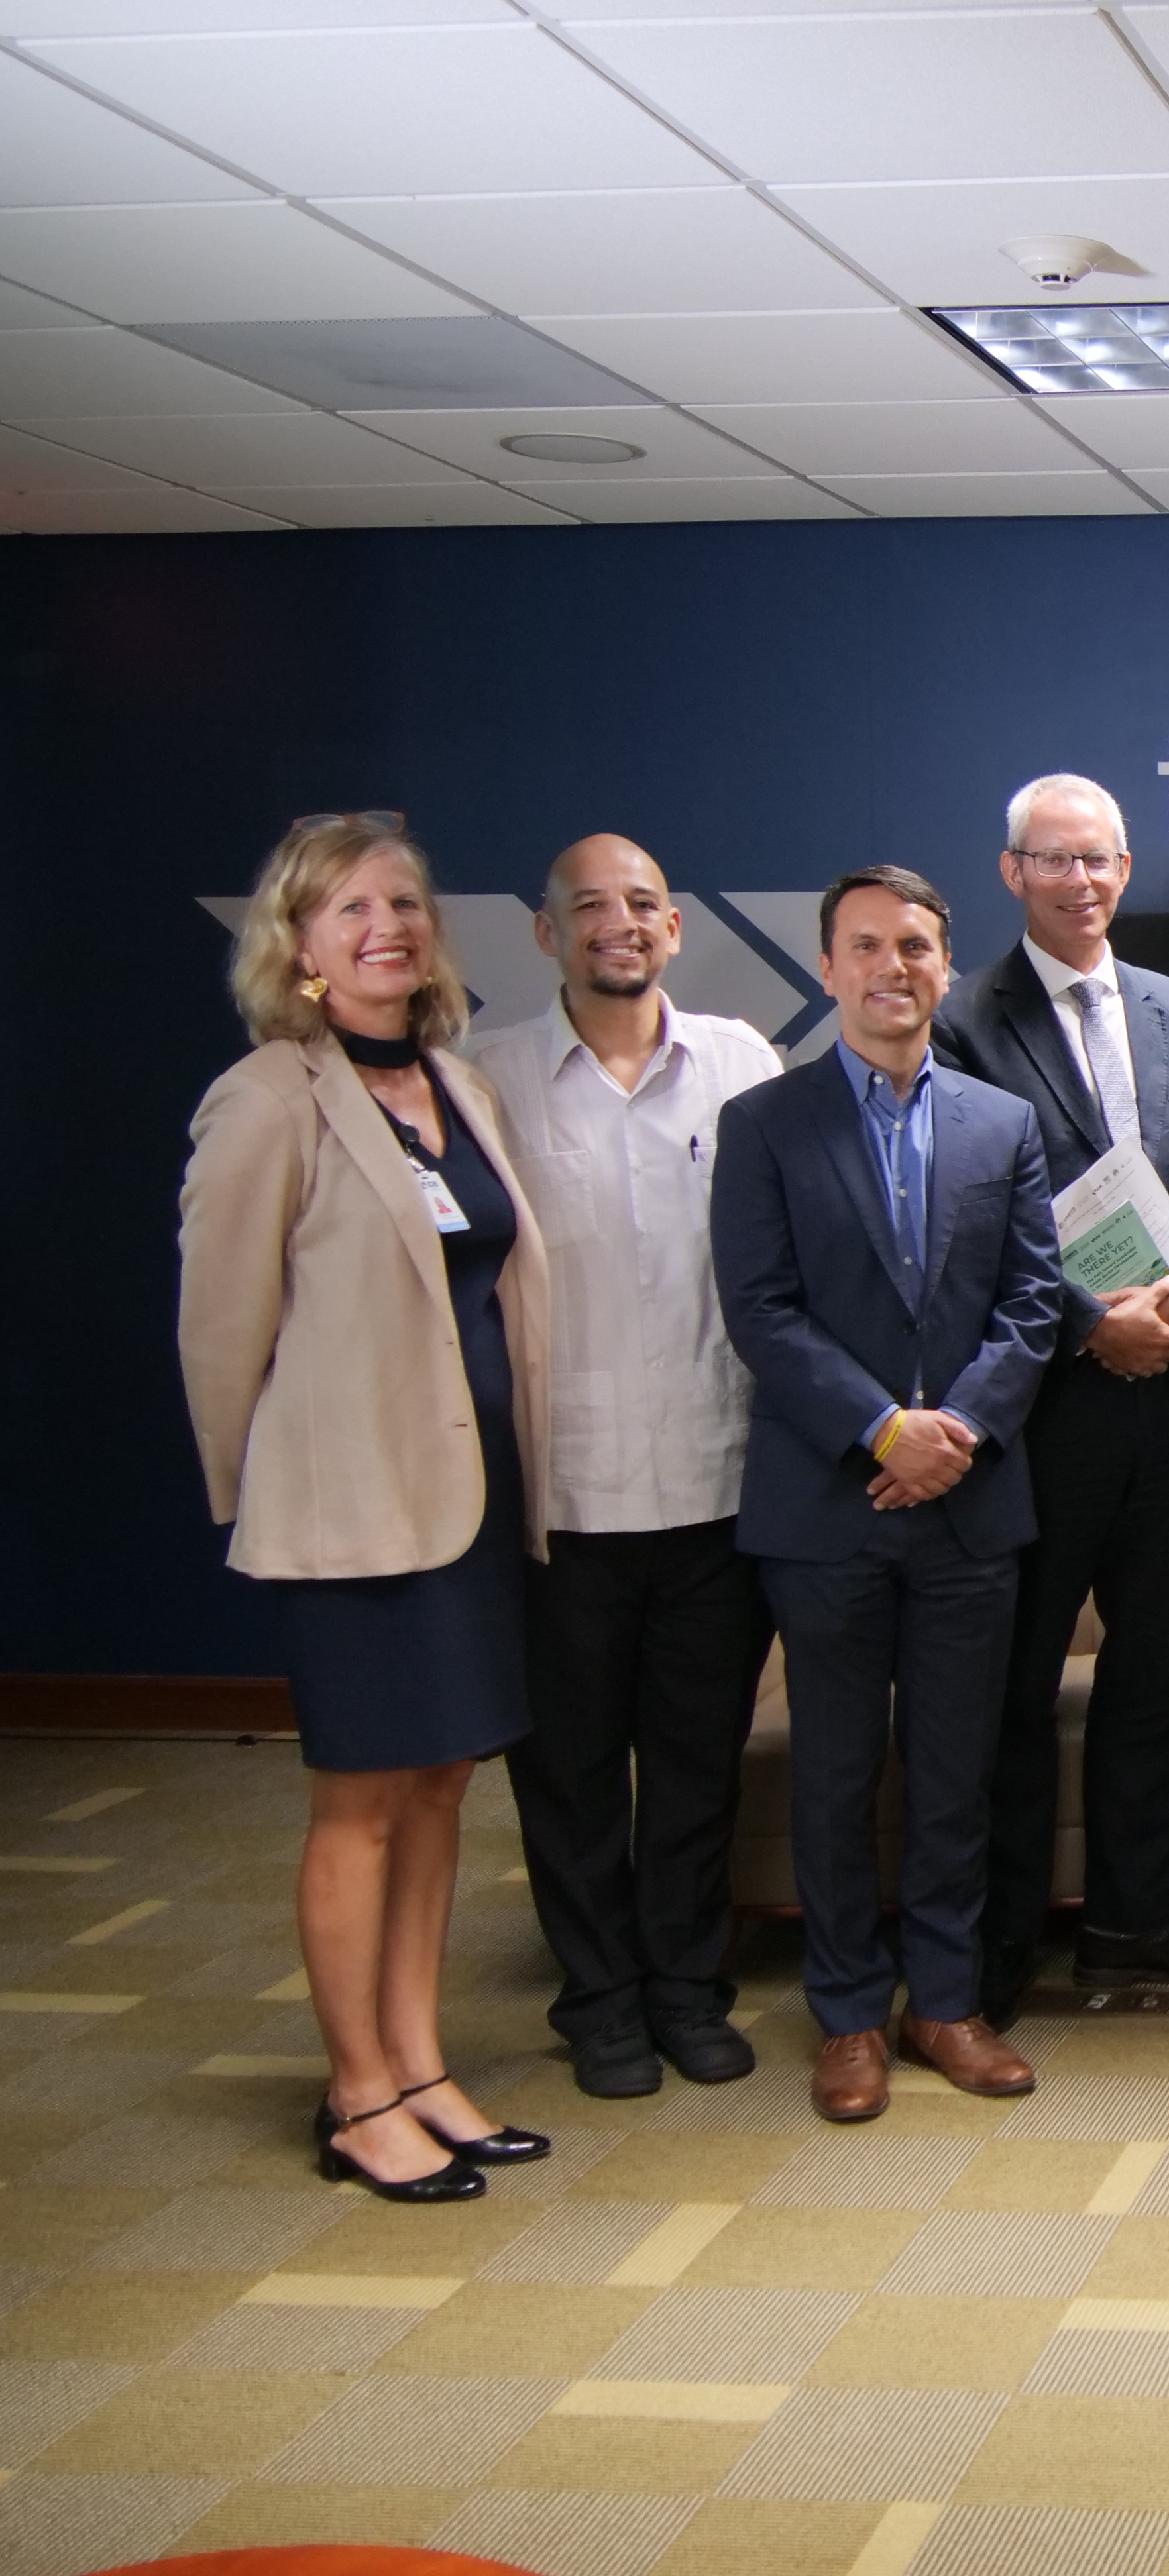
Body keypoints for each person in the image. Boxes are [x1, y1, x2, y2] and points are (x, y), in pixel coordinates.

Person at [179, 812, 553, 2200]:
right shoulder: (271, 1096)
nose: (385, 925)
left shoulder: (460, 1089)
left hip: (470, 1501)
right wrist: (259, 1498)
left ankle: (421, 2063)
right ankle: (355, 2096)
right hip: (348, 1515)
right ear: (299, 947)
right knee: (361, 1802)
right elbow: (221, 1329)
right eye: (348, 910)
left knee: (442, 1786)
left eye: (402, 902)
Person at [710, 865, 1062, 2123]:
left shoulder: (999, 1123)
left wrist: (953, 1430)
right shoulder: (766, 1124)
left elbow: (1033, 1303)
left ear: (943, 964)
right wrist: (882, 1431)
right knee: (838, 1772)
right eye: (865, 947)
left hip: (969, 1506)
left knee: (956, 1771)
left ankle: (947, 2004)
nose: (891, 968)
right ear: (829, 969)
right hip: (827, 1509)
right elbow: (760, 1310)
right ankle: (850, 2015)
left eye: (914, 946)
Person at [934, 774, 1169, 2023]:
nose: (1081, 881)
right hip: (1045, 1413)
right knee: (1016, 1691)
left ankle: (1136, 1925)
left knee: (1153, 1680)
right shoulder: (968, 1021)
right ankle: (997, 1945)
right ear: (1012, 871)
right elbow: (974, 1215)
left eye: (1101, 860)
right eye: (1054, 860)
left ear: (1128, 869)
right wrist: (1092, 1326)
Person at [463, 833, 784, 2101]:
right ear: (546, 934)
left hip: (718, 1481)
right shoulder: (483, 1084)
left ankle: (687, 1990)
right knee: (573, 1775)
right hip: (560, 1497)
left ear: (675, 929)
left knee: (700, 1768)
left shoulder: (744, 1065)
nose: (620, 924)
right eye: (590, 906)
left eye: (642, 904)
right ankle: (597, 2001)